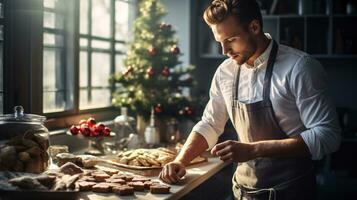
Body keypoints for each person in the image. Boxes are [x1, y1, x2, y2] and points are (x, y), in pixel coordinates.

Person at [159, 0, 341, 199]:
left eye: (231, 40)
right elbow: (210, 124)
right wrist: (180, 161)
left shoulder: (300, 68)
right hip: (242, 192)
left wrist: (254, 149)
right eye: (220, 42)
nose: (224, 51)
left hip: (291, 191)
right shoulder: (225, 72)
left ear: (254, 27)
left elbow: (328, 135)